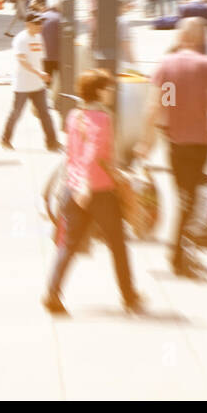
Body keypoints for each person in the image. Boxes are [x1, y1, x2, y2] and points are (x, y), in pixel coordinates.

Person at [134, 17, 207, 278]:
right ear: (201, 39)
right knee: (191, 201)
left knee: (186, 199)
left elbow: (157, 107)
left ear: (180, 37)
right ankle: (177, 255)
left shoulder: (167, 66)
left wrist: (146, 142)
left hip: (175, 145)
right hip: (201, 145)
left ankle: (181, 253)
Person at [43, 68, 143, 315]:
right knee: (118, 244)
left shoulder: (74, 116)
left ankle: (52, 294)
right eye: (107, 87)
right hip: (98, 192)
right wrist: (89, 184)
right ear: (98, 91)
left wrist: (78, 183)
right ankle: (129, 297)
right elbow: (94, 152)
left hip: (72, 188)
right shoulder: (103, 118)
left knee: (69, 244)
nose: (110, 91)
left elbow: (73, 153)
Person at [0, 11, 60, 152]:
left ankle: (51, 142)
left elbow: (41, 59)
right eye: (37, 23)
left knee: (45, 114)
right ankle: (5, 139)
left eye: (41, 23)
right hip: (22, 84)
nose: (40, 25)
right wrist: (39, 73)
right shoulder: (21, 39)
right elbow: (22, 60)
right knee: (16, 113)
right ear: (28, 24)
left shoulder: (39, 37)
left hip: (38, 85)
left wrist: (43, 75)